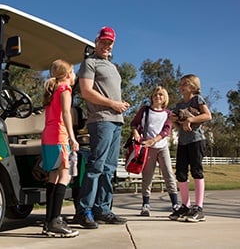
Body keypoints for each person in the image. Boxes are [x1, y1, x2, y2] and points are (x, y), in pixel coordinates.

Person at [75, 26, 130, 228]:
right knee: (97, 165)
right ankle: (84, 210)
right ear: (96, 41)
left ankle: (102, 209)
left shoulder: (112, 67)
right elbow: (87, 92)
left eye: (110, 43)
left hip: (117, 120)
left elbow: (109, 93)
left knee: (109, 168)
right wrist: (112, 104)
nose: (106, 45)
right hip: (101, 120)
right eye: (103, 42)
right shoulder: (89, 63)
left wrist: (120, 104)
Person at [41, 59, 80, 237]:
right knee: (65, 174)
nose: (75, 76)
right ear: (67, 74)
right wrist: (72, 138)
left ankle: (49, 221)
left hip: (48, 136)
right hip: (60, 136)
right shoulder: (65, 89)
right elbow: (66, 113)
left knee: (53, 176)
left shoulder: (52, 91)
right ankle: (56, 220)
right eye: (73, 72)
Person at [168, 74, 212, 222]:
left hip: (196, 140)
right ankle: (185, 206)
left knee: (196, 171)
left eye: (184, 84)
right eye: (180, 84)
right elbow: (178, 125)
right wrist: (173, 120)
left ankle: (199, 208)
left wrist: (191, 119)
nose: (180, 87)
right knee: (180, 173)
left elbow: (207, 115)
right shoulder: (179, 105)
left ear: (193, 86)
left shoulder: (197, 99)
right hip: (183, 142)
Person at [130, 86, 179, 216]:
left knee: (168, 174)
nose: (158, 97)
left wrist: (154, 140)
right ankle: (145, 204)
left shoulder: (168, 114)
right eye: (156, 94)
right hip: (147, 148)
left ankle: (175, 203)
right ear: (152, 97)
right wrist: (135, 133)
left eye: (161, 95)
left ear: (165, 98)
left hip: (162, 147)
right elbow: (134, 123)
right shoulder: (145, 110)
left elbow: (166, 130)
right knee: (147, 176)